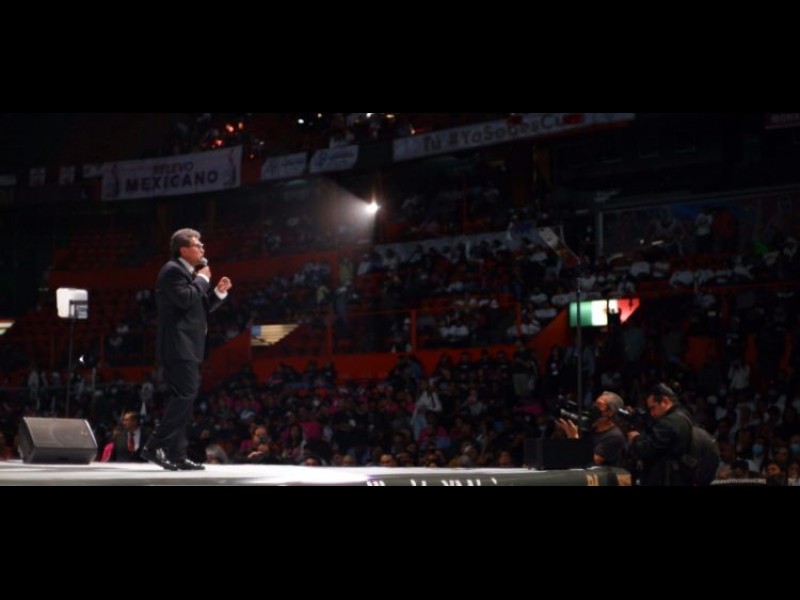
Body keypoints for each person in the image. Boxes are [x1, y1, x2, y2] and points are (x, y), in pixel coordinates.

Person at [141, 228, 232, 471]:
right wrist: (202, 279)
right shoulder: (172, 271)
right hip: (177, 345)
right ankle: (154, 445)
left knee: (185, 399)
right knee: (185, 396)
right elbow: (184, 299)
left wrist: (218, 293)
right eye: (197, 245)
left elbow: (199, 308)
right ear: (183, 249)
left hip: (188, 346)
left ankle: (177, 454)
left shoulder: (188, 273)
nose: (203, 248)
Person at [627, 383, 693, 486]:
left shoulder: (668, 423)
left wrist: (635, 438)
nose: (652, 413)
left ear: (665, 401)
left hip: (666, 477)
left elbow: (646, 449)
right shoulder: (684, 415)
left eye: (653, 408)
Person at [556, 391, 626, 467]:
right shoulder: (591, 426)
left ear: (610, 412)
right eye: (595, 403)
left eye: (599, 405)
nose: (594, 406)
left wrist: (574, 439)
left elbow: (592, 460)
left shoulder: (615, 437)